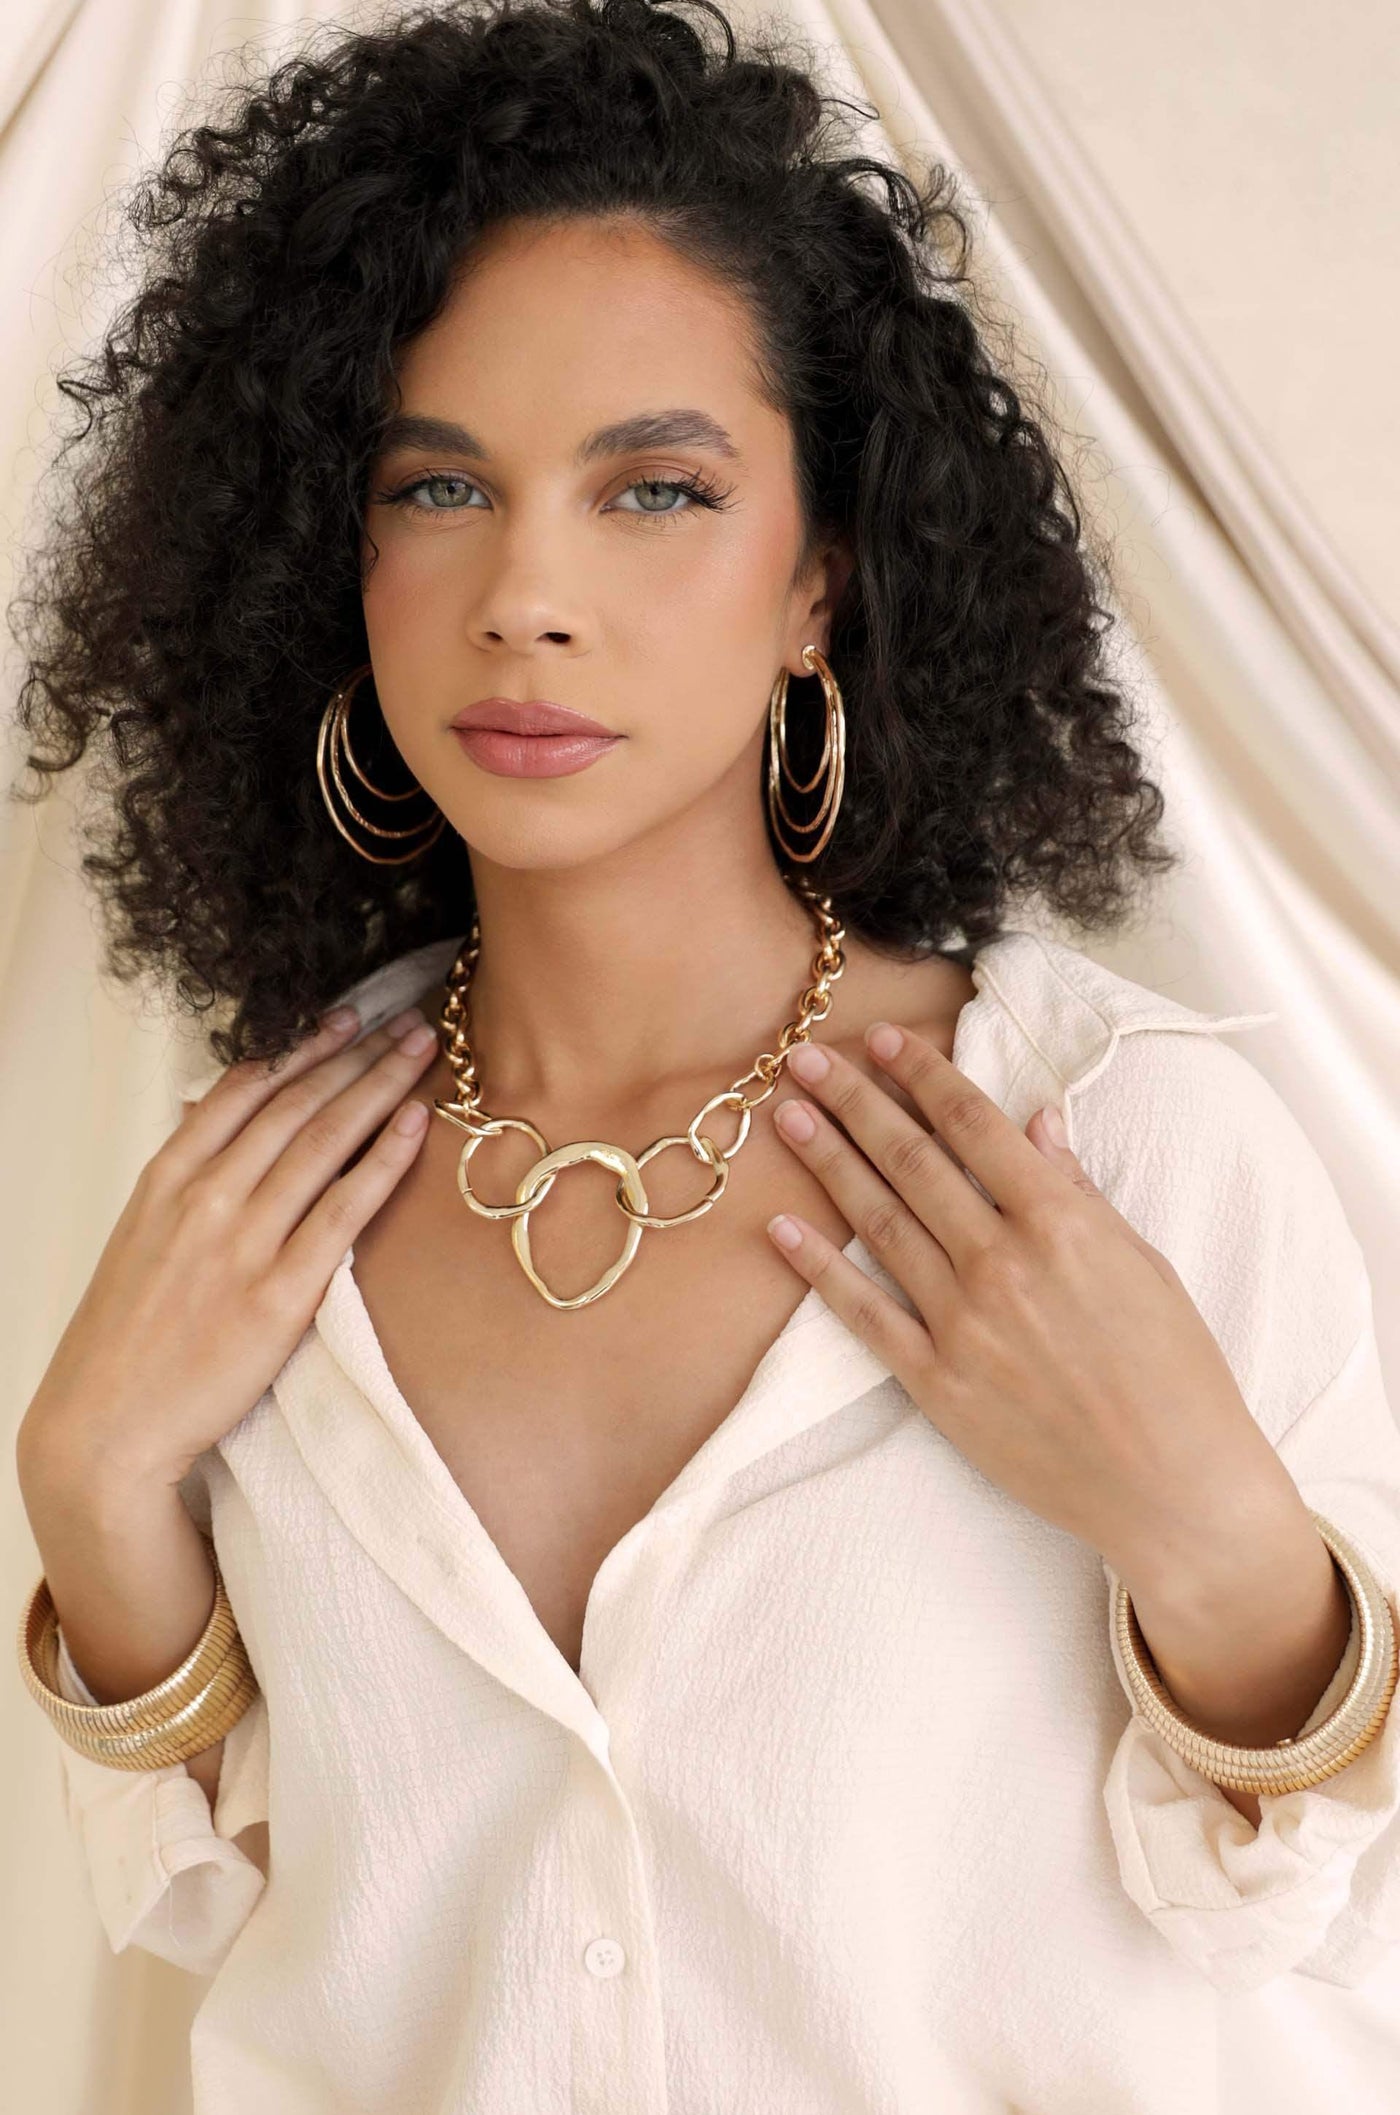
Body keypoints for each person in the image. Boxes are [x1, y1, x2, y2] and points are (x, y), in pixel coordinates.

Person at [11, 2, 1400, 2109]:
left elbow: (1335, 1927)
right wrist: (94, 1489)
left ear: (820, 583)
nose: (526, 595)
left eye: (653, 488)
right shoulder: (265, 1190)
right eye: (439, 485)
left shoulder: (1117, 1139)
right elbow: (235, 1906)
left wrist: (1213, 1539)